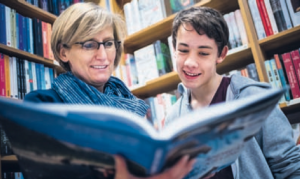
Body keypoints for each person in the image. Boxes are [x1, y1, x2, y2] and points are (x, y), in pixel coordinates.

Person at [24, 2, 196, 179]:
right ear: (63, 52)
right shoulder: (41, 105)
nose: (103, 55)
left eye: (108, 43)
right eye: (89, 45)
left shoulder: (133, 107)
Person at [165, 6, 300, 179]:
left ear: (221, 54)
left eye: (203, 53)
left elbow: (291, 168)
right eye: (183, 50)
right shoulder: (173, 118)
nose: (190, 62)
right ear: (174, 50)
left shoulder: (254, 98)